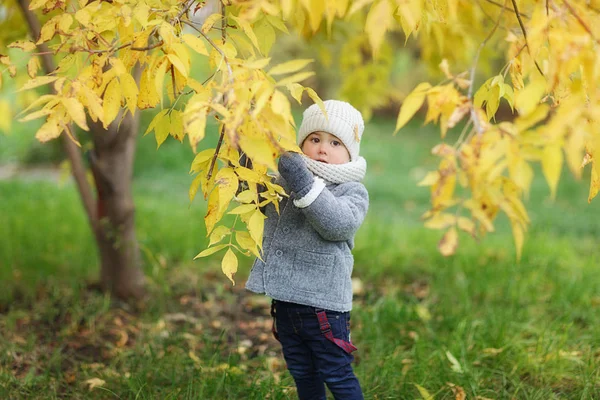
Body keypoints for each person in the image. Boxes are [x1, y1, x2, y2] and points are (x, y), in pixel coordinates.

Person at [245, 100, 369, 400]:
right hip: (286, 303)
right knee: (302, 371)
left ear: (350, 152)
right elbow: (249, 193)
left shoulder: (351, 191)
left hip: (324, 309)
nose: (323, 149)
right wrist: (242, 139)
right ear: (301, 144)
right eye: (315, 139)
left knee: (336, 372)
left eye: (335, 142)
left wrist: (301, 179)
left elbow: (336, 224)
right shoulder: (282, 182)